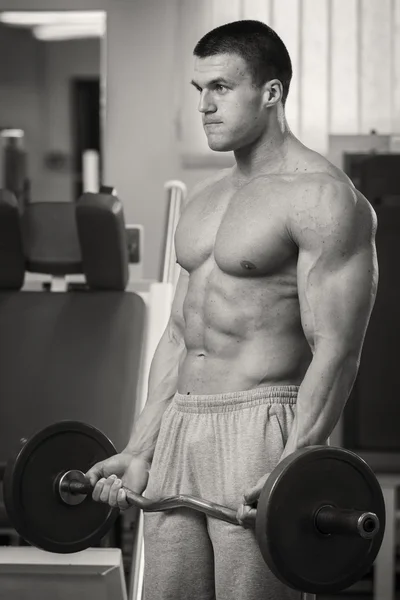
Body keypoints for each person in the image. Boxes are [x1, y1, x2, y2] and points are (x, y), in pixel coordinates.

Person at [86, 19, 378, 600]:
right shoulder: (203, 203)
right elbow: (177, 336)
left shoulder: (322, 197)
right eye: (199, 91)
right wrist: (141, 445)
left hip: (260, 425)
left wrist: (293, 466)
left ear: (270, 93)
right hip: (180, 425)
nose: (205, 106)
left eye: (221, 87)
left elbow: (337, 351)